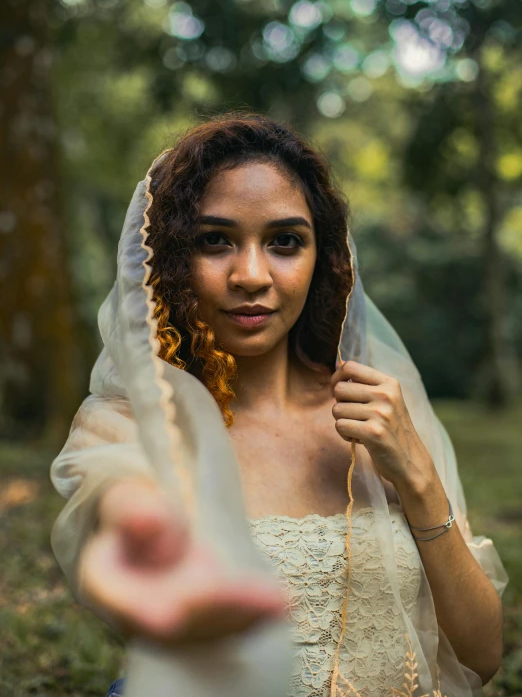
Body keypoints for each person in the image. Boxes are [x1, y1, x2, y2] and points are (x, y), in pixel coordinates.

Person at [50, 112, 509, 697]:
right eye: (214, 240)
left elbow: (483, 654)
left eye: (284, 242)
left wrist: (417, 477)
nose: (251, 274)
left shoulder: (379, 413)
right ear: (168, 260)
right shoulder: (132, 424)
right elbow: (124, 514)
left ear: (325, 257)